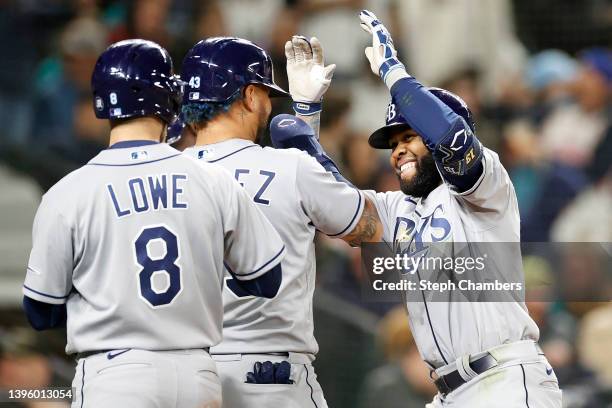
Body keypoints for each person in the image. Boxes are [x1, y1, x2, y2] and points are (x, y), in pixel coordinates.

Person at [271, 10, 562, 407]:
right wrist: (307, 112)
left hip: (506, 380)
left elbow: (454, 140)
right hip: (448, 391)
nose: (398, 151)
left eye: (410, 136)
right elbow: (326, 201)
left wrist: (394, 74)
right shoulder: (397, 209)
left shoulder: (487, 186)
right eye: (393, 144)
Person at [21, 39, 287, 408]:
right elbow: (267, 279)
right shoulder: (212, 180)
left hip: (116, 375)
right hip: (197, 374)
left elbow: (40, 311)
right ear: (169, 99)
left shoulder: (67, 193)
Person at [179, 36, 382, 407]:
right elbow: (367, 227)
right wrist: (309, 127)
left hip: (185, 379)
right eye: (267, 96)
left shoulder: (166, 177)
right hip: (271, 381)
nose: (269, 107)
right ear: (250, 95)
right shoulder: (289, 167)